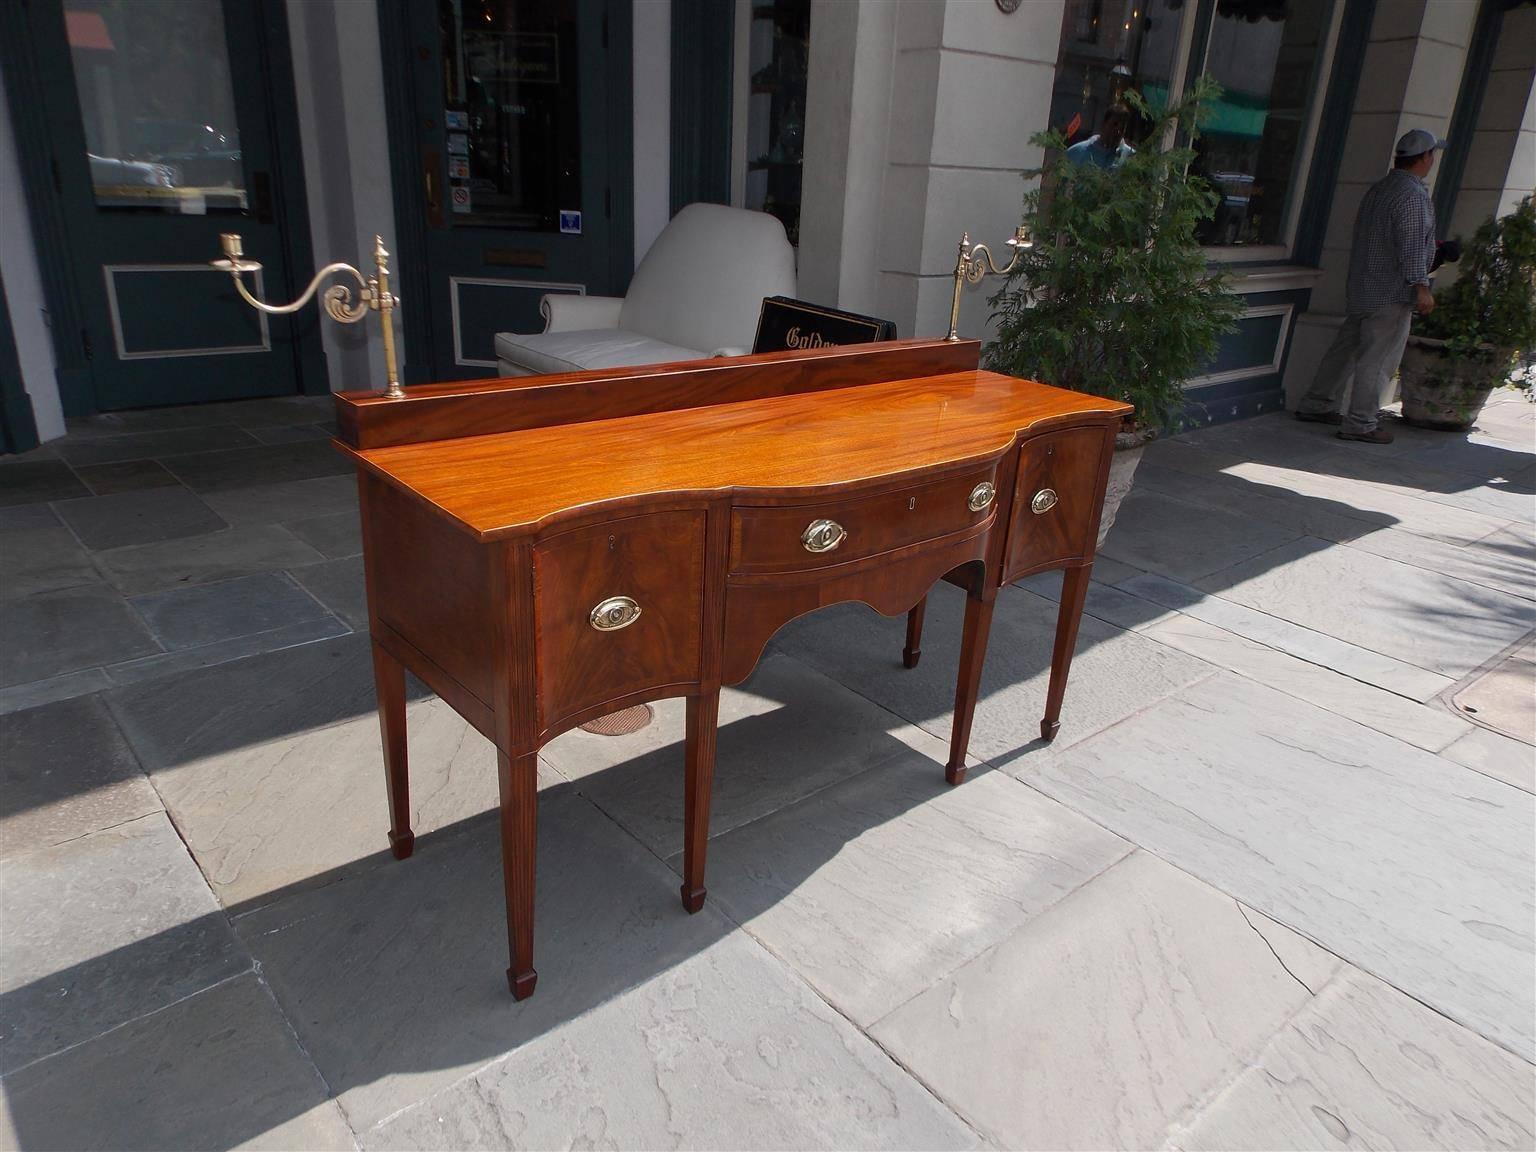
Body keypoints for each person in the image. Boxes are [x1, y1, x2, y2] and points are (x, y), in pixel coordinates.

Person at [1295, 128, 1445, 444]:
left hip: (1363, 286)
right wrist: (1421, 285)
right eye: (1433, 155)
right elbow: (1411, 246)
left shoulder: (1381, 189)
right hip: (1391, 292)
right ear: (1425, 157)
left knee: (1346, 350)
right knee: (1377, 359)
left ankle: (1316, 403)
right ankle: (1361, 422)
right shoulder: (1413, 195)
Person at [1066, 106, 1135, 169]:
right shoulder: (1077, 152)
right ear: (1103, 124)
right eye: (1114, 124)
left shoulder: (1130, 157)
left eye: (1122, 128)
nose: (1118, 131)